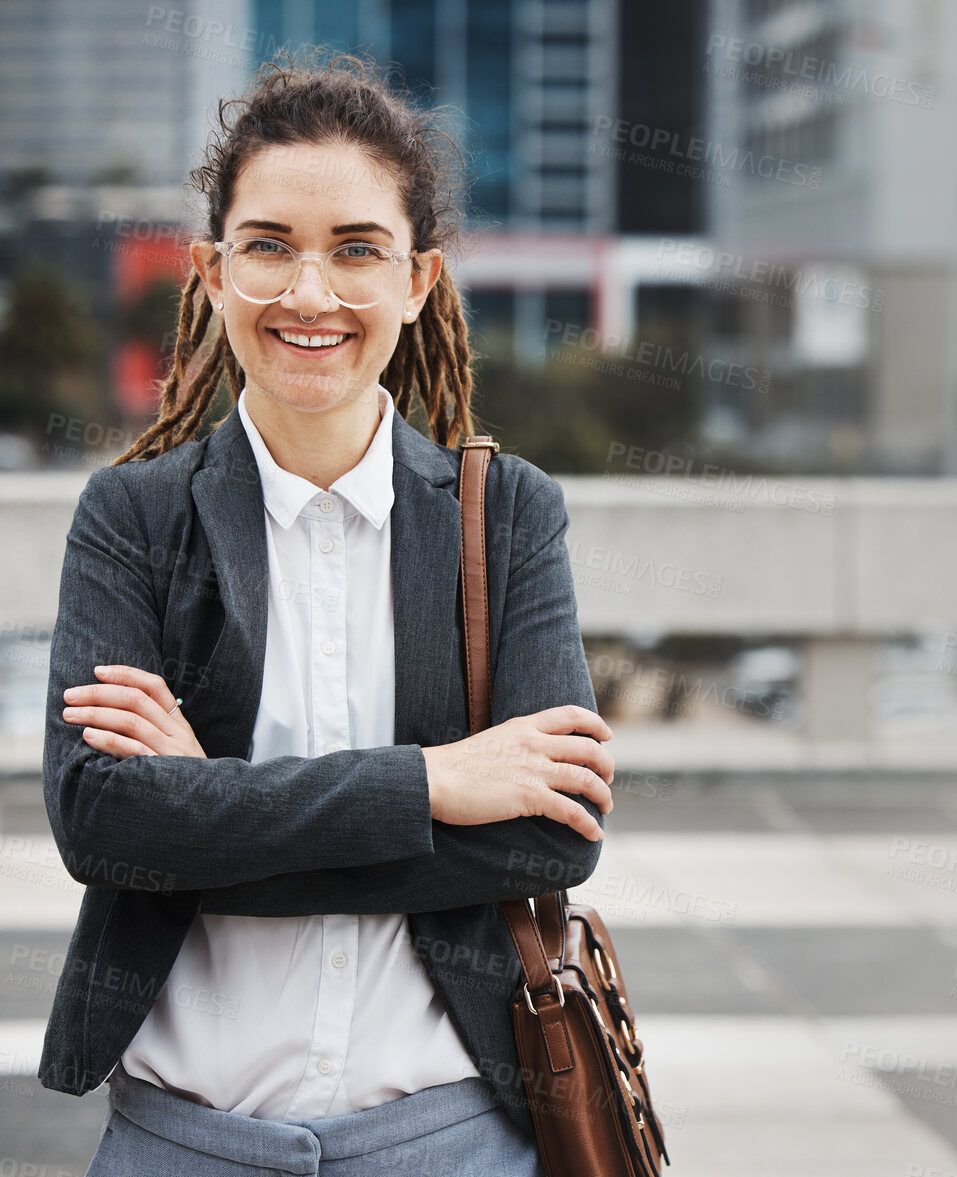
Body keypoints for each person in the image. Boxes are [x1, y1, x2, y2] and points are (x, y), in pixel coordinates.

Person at [36, 52, 617, 1177]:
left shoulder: (504, 519)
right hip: (184, 1142)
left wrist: (208, 805)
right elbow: (103, 825)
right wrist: (431, 784)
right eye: (268, 247)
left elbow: (551, 834)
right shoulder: (133, 516)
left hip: (453, 1141)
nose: (310, 294)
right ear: (210, 271)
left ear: (417, 280)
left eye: (356, 249)